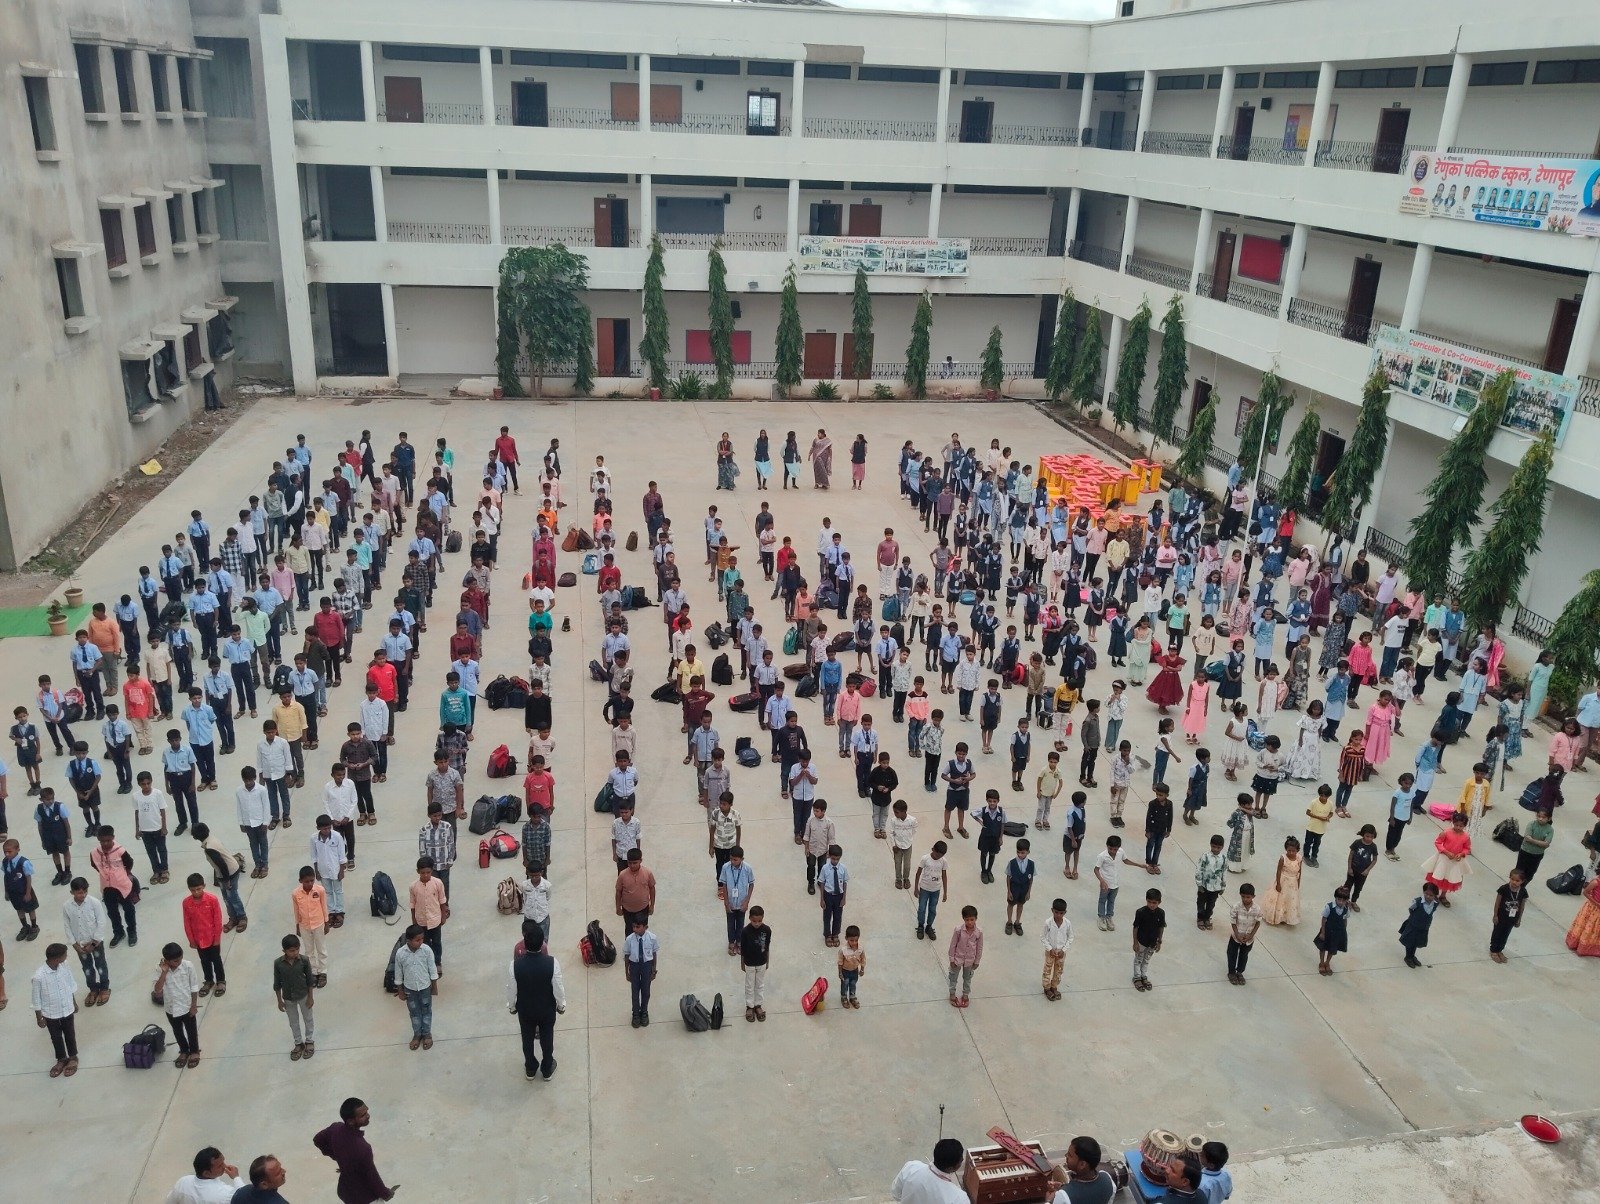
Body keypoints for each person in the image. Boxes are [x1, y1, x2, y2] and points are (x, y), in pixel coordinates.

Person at [312, 1098, 396, 1203]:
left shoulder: (335, 1128)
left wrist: (338, 1158)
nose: (368, 1116)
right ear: (351, 1121)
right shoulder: (363, 1148)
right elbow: (372, 1176)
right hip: (365, 1198)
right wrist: (386, 1194)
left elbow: (318, 1140)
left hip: (345, 1192)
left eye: (367, 1111)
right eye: (363, 1115)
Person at [509, 927, 566, 1078]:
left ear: (525, 943)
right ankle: (547, 1068)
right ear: (542, 943)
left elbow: (511, 989)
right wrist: (561, 1005)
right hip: (546, 1009)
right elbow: (558, 987)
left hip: (525, 1010)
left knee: (527, 1039)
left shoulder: (514, 965)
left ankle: (530, 1068)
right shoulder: (552, 963)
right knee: (547, 1038)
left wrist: (512, 1006)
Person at [31, 941, 79, 1077]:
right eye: (65, 955)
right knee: (56, 1037)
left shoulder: (64, 966)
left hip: (67, 1008)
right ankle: (61, 1059)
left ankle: (73, 1057)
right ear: (57, 958)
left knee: (70, 1034)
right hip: (50, 1013)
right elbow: (36, 998)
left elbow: (69, 984)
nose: (66, 957)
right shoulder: (39, 976)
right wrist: (39, 1017)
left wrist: (74, 1002)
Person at [393, 923, 439, 1051]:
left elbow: (432, 969)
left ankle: (427, 1034)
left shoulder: (426, 950)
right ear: (408, 940)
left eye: (422, 939)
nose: (420, 942)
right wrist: (400, 991)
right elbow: (398, 973)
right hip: (410, 989)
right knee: (414, 1013)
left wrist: (434, 986)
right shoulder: (400, 953)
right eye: (417, 940)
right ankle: (417, 1034)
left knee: (426, 1011)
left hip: (425, 987)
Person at [156, 941, 202, 1067]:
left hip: (187, 1006)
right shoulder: (159, 969)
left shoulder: (188, 966)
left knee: (191, 1031)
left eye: (180, 958)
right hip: (171, 1008)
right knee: (177, 1031)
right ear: (167, 960)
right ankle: (184, 1051)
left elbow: (194, 987)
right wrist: (164, 973)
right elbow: (157, 990)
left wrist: (194, 1005)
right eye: (176, 961)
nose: (179, 962)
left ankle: (194, 1051)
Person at [274, 932, 315, 1060]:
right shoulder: (278, 963)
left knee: (308, 1018)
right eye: (292, 950)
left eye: (297, 949)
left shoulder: (304, 960)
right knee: (293, 1022)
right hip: (288, 998)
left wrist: (310, 997)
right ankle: (298, 1043)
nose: (295, 952)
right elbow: (277, 983)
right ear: (284, 951)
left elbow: (310, 980)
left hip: (303, 995)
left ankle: (309, 1040)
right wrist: (279, 1000)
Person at [890, 1139, 968, 1203]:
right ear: (952, 1168)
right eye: (961, 1160)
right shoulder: (959, 1198)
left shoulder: (912, 1167)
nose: (963, 1160)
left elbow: (895, 1194)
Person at [1045, 1135, 1115, 1203]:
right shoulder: (1108, 1179)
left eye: (1070, 1155)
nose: (1066, 1155)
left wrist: (1048, 1201)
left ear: (1082, 1164)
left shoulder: (1064, 1197)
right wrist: (1063, 1186)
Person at [1421, 813, 1472, 905]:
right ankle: (1433, 892)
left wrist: (1461, 854)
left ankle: (1443, 895)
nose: (1458, 827)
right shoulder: (1446, 832)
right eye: (1456, 825)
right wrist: (1446, 852)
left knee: (1449, 878)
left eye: (1461, 826)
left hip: (1454, 862)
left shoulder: (1466, 837)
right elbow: (1438, 842)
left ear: (1464, 826)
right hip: (1443, 859)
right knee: (1438, 875)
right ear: (1453, 823)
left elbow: (1467, 848)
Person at [164, 1146, 247, 1203]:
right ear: (206, 1173)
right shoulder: (225, 1193)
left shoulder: (183, 1182)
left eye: (223, 1162)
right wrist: (236, 1178)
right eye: (220, 1165)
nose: (225, 1166)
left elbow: (170, 1201)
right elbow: (246, 1199)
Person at [1258, 837, 1302, 926]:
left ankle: (1285, 917)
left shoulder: (1299, 858)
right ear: (1286, 849)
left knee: (1289, 900)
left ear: (1297, 850)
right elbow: (1278, 871)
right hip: (1283, 881)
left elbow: (1300, 871)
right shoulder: (1283, 858)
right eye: (1289, 850)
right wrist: (1278, 883)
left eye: (1293, 851)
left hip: (1292, 883)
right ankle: (1278, 917)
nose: (1291, 853)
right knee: (1280, 900)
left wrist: (1298, 883)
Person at [623, 916, 659, 1028]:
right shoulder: (629, 939)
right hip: (634, 966)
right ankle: (635, 1014)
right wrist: (627, 972)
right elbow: (627, 956)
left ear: (645, 927)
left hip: (646, 966)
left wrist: (653, 969)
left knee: (646, 991)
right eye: (633, 926)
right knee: (635, 992)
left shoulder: (652, 938)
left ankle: (644, 1012)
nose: (635, 929)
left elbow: (654, 954)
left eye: (638, 927)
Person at [740, 903, 772, 1021]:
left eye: (759, 921)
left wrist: (767, 961)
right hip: (749, 963)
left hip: (761, 962)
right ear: (750, 918)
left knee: (760, 984)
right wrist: (742, 963)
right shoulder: (745, 931)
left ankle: (758, 1005)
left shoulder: (767, 930)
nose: (757, 924)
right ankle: (749, 1006)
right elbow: (743, 949)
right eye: (754, 921)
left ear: (763, 918)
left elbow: (767, 947)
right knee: (749, 985)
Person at [947, 904, 983, 1008]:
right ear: (963, 919)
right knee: (953, 977)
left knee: (967, 978)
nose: (970, 922)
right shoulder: (958, 930)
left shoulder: (979, 932)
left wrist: (977, 961)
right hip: (957, 959)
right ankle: (952, 994)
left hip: (970, 961)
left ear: (976, 918)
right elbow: (953, 945)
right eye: (967, 920)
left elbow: (979, 948)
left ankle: (965, 994)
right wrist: (951, 959)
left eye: (972, 919)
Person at [1490, 868, 1528, 964]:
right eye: (1512, 879)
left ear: (1522, 881)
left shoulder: (1523, 891)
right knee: (1497, 933)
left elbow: (1522, 906)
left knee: (1505, 934)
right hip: (1501, 917)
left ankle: (1500, 950)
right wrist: (1495, 915)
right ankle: (1493, 950)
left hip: (1512, 918)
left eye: (1517, 880)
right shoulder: (1504, 889)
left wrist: (1519, 919)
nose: (1514, 882)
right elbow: (1497, 903)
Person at [1226, 883, 1262, 985]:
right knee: (1232, 954)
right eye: (1243, 896)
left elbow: (1258, 923)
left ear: (1253, 896)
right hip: (1235, 937)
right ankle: (1231, 972)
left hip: (1248, 939)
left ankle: (1239, 972)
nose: (1245, 899)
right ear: (1240, 895)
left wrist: (1251, 936)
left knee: (1244, 955)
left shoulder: (1257, 909)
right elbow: (1233, 922)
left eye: (1248, 897)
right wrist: (1237, 934)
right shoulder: (1236, 907)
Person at [1130, 887, 1165, 992]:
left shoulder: (1161, 913)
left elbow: (1161, 927)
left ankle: (1143, 976)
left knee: (1146, 960)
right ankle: (1137, 977)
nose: (1151, 905)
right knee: (1138, 959)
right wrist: (1135, 942)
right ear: (1146, 900)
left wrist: (1159, 941)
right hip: (1141, 941)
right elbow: (1135, 927)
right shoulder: (1140, 912)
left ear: (1159, 902)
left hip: (1152, 942)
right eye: (1149, 902)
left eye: (1154, 903)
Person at [1399, 882, 1441, 968]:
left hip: (1424, 928)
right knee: (1410, 942)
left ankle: (1412, 956)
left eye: (1431, 895)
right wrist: (1415, 918)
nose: (1428, 896)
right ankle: (1408, 957)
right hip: (1413, 926)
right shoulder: (1417, 901)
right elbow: (1411, 909)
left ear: (1435, 895)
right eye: (1426, 893)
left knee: (1416, 942)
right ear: (1423, 892)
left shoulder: (1435, 903)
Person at [1313, 886, 1352, 976]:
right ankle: (1321, 963)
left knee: (1332, 949)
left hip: (1338, 933)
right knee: (1323, 947)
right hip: (1327, 931)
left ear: (1346, 900)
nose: (1341, 902)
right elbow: (1324, 919)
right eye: (1339, 899)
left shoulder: (1346, 909)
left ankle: (1327, 962)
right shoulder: (1329, 907)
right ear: (1335, 898)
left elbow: (1345, 920)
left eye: (1343, 900)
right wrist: (1322, 932)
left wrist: (1344, 931)